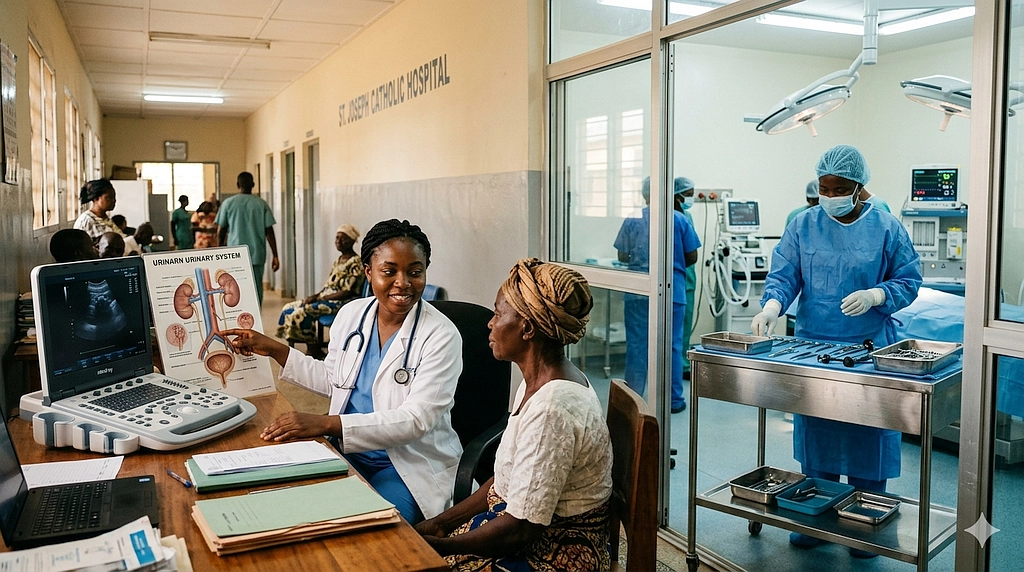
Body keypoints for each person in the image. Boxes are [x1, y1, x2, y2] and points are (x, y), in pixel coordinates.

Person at [223, 219, 462, 524]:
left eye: (415, 273)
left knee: (373, 526)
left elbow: (415, 421)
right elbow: (334, 380)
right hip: (347, 451)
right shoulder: (352, 315)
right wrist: (275, 349)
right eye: (389, 272)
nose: (402, 283)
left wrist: (325, 423)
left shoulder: (441, 335)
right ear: (368, 272)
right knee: (291, 506)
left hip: (405, 465)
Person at [750, 144, 921, 558]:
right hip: (814, 345)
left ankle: (865, 521)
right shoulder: (803, 225)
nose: (830, 196)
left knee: (868, 435)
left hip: (868, 348)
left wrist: (878, 294)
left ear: (859, 188)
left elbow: (909, 278)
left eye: (839, 188)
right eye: (824, 188)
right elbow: (785, 274)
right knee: (819, 432)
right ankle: (814, 516)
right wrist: (772, 305)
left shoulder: (886, 227)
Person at [416, 258, 613, 572]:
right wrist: (440, 524)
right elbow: (507, 481)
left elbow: (519, 531)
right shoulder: (538, 381)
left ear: (528, 328)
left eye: (498, 314)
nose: (490, 324)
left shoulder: (552, 408)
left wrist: (438, 547)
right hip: (521, 528)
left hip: (555, 552)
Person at [614, 176, 701, 413]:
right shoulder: (679, 219)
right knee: (672, 345)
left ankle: (633, 400)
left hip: (638, 291)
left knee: (637, 346)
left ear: (644, 194)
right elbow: (692, 256)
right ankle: (673, 400)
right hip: (672, 292)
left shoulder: (634, 218)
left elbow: (622, 256)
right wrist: (672, 263)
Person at [278, 224, 365, 346]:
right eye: (337, 238)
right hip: (326, 299)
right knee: (288, 307)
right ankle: (296, 343)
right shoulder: (339, 260)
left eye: (343, 238)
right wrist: (315, 296)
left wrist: (321, 298)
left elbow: (348, 292)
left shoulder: (356, 263)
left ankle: (312, 346)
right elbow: (328, 286)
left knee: (300, 312)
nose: (338, 241)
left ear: (351, 241)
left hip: (342, 302)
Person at [216, 172, 279, 306]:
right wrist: (275, 255)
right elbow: (269, 231)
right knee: (256, 289)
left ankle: (239, 317)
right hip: (256, 255)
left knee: (235, 289)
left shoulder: (228, 203)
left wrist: (218, 253)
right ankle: (255, 318)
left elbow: (221, 231)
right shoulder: (261, 204)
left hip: (234, 255)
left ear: (237, 185)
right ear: (253, 185)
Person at [676, 178, 698, 383]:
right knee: (674, 329)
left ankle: (682, 364)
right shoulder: (674, 218)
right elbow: (691, 255)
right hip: (677, 279)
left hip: (686, 279)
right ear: (677, 195)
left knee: (683, 326)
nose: (691, 198)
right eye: (688, 194)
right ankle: (677, 365)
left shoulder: (687, 216)